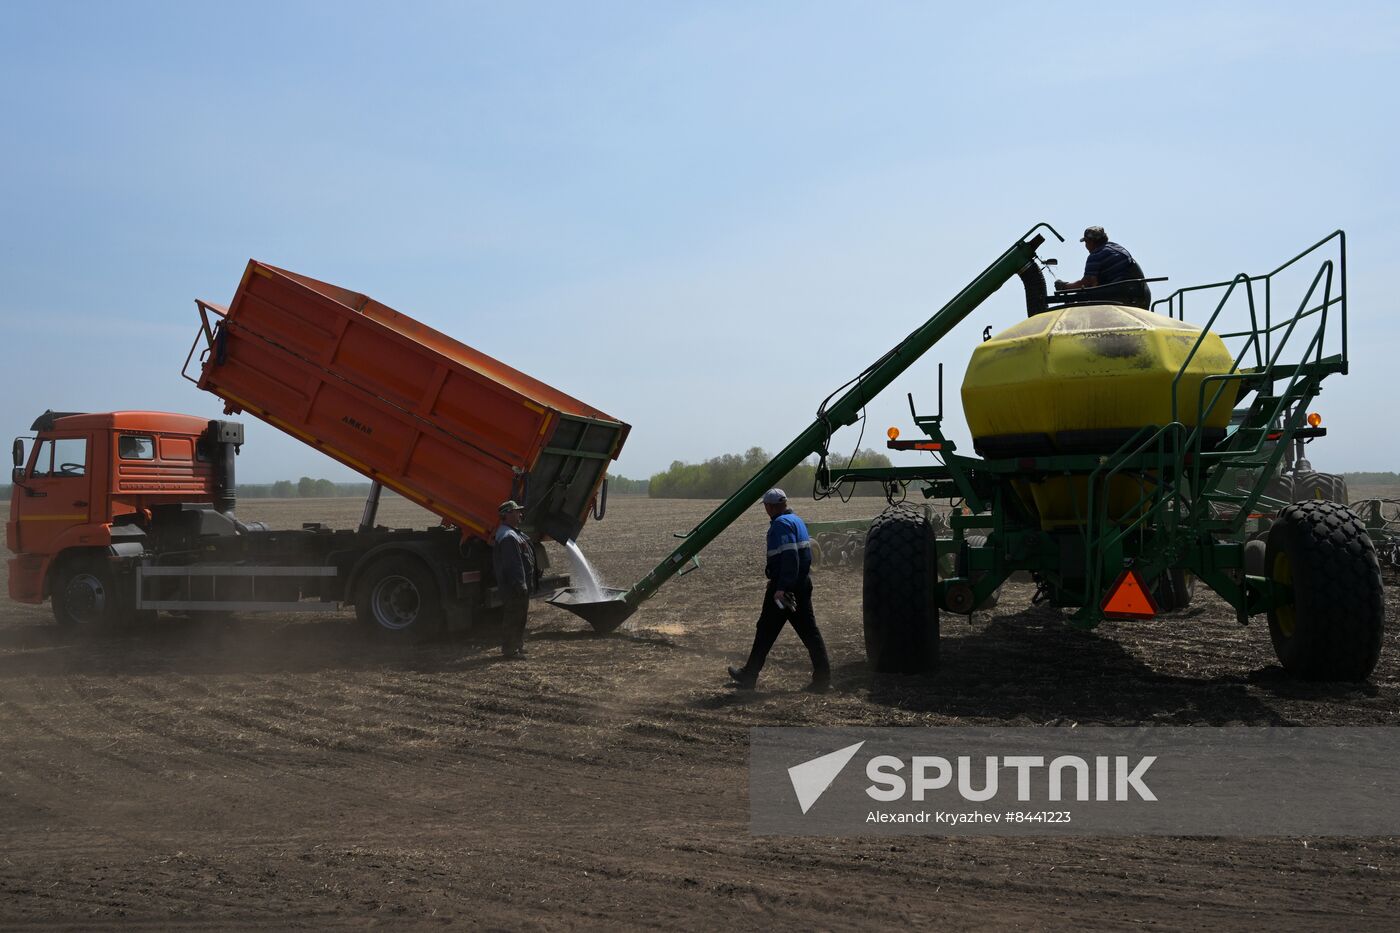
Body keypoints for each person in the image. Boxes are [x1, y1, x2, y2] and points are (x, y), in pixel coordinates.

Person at [728, 489, 831, 692]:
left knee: (766, 630)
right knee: (808, 632)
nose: (766, 510)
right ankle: (823, 679)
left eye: (766, 506)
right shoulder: (796, 520)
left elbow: (790, 556)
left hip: (786, 590)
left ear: (771, 506)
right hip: (800, 583)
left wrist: (782, 587)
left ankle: (749, 676)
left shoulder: (780, 524)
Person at [1054, 226, 1151, 309]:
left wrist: (1065, 286)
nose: (1086, 246)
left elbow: (1087, 283)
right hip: (1141, 295)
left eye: (1086, 242)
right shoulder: (1115, 247)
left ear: (1091, 242)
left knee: (1079, 297)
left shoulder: (1096, 255)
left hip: (1123, 296)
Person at [493, 499, 535, 659]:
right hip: (514, 587)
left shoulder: (513, 533)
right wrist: (520, 584)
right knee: (513, 617)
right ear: (508, 514)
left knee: (520, 616)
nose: (520, 514)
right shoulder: (508, 536)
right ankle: (510, 650)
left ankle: (517, 645)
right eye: (517, 511)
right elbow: (513, 564)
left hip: (517, 586)